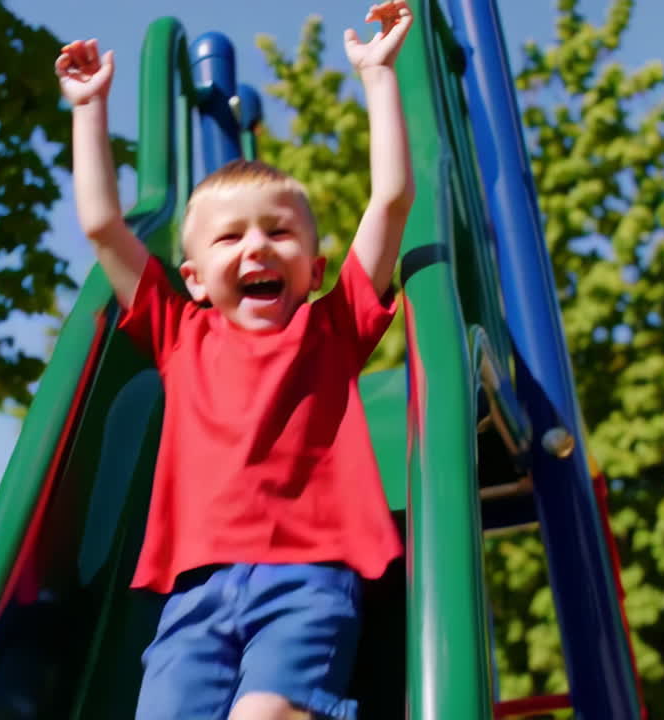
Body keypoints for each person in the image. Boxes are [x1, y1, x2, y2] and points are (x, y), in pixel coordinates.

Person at [55, 3, 413, 718]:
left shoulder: (331, 327)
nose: (255, 248)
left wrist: (378, 79)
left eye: (278, 232)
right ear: (192, 277)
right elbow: (102, 226)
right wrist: (89, 111)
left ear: (312, 268)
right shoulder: (177, 332)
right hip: (195, 592)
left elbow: (391, 201)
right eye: (229, 239)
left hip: (309, 575)